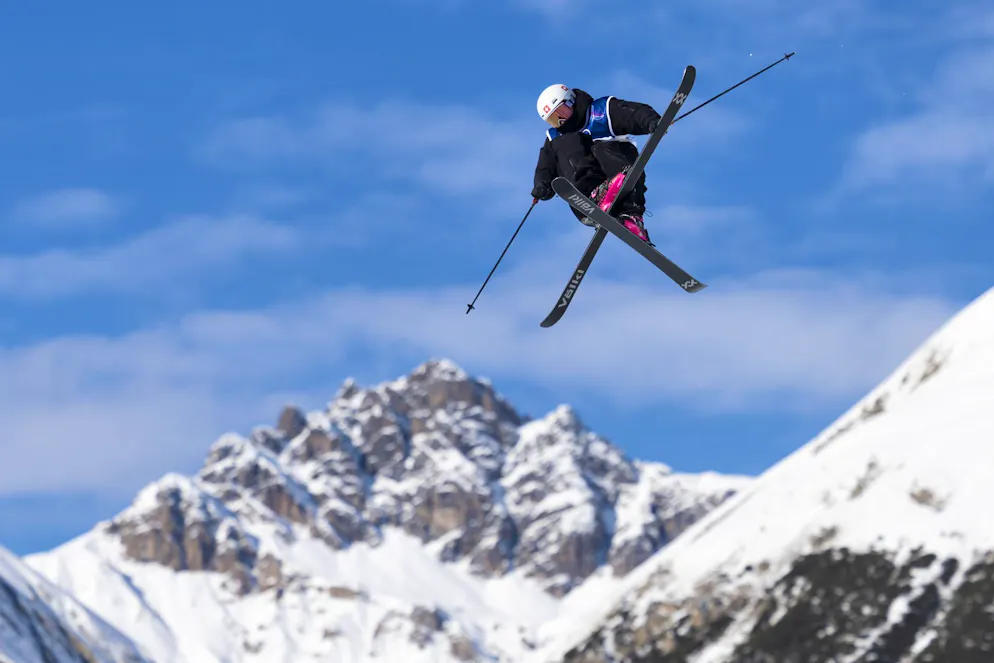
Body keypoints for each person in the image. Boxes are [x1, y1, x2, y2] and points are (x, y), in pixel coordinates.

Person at [531, 84, 661, 244]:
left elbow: (631, 113)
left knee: (600, 146)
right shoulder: (556, 137)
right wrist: (541, 185)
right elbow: (545, 166)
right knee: (567, 143)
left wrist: (651, 121)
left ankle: (631, 218)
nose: (561, 121)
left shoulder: (600, 112)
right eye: (553, 120)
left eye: (561, 113)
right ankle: (593, 198)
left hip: (619, 170)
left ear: (570, 102)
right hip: (584, 196)